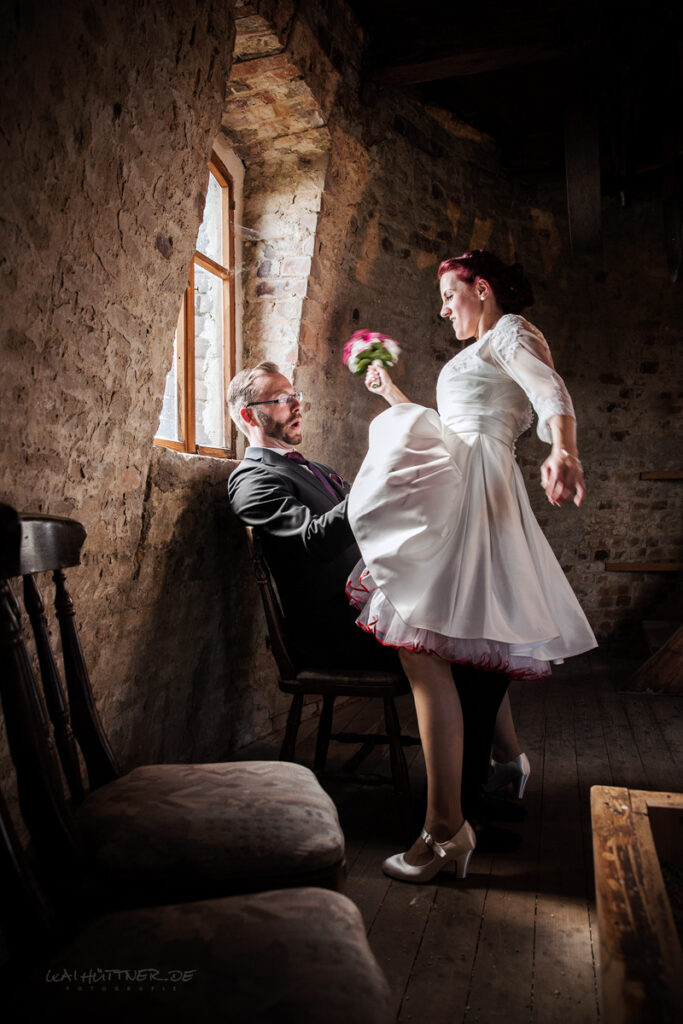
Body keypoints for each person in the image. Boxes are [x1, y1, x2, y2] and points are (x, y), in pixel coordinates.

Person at [346, 250, 597, 883]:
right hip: (461, 485)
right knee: (441, 650)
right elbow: (447, 428)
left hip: (477, 493)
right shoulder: (483, 349)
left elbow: (550, 390)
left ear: (480, 288)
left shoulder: (510, 330)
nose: (442, 309)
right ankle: (490, 781)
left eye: (449, 296)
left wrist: (564, 450)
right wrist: (388, 390)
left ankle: (445, 828)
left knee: (424, 651)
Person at [227, 361, 526, 837]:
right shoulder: (252, 480)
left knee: (482, 644)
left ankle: (469, 794)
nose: (297, 403)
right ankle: (461, 812)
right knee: (468, 661)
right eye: (282, 399)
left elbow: (372, 521)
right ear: (247, 416)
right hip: (333, 631)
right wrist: (377, 486)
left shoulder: (316, 469)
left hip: (368, 608)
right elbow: (312, 541)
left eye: (295, 394)